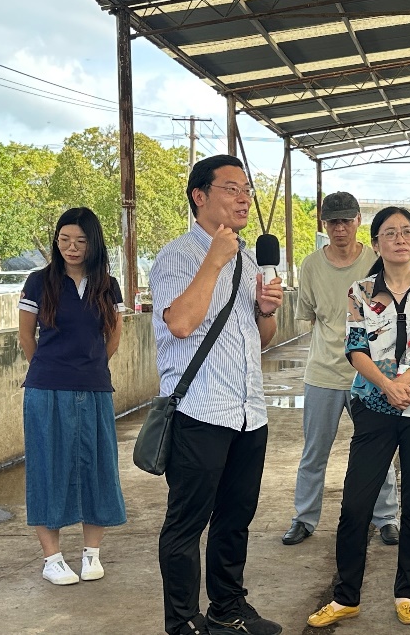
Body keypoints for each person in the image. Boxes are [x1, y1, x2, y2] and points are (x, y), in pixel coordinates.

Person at [150, 154, 284, 635]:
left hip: (248, 410)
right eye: (231, 188)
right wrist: (214, 259)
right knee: (187, 522)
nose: (244, 198)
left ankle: (227, 607)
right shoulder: (177, 256)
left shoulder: (248, 259)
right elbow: (181, 323)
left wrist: (265, 310)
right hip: (199, 410)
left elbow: (260, 339)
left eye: (247, 189)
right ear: (200, 196)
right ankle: (182, 621)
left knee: (235, 518)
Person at [306, 206, 410, 628]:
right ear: (376, 243)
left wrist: (407, 379)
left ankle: (406, 593)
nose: (400, 239)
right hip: (373, 407)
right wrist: (387, 385)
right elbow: (355, 349)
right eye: (390, 233)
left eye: (407, 232)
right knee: (356, 504)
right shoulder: (360, 291)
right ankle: (345, 597)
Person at [283, 191, 399, 548]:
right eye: (333, 222)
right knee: (314, 452)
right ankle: (304, 518)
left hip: (370, 376)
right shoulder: (311, 266)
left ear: (358, 221)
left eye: (346, 221)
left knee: (378, 449)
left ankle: (387, 518)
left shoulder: (376, 262)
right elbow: (309, 318)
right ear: (325, 224)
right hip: (323, 373)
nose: (340, 228)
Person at [18, 206, 126, 586]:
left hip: (94, 388)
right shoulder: (38, 282)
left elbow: (114, 336)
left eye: (80, 240)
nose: (72, 247)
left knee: (97, 468)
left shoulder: (107, 285)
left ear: (93, 243)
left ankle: (91, 554)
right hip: (45, 390)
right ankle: (52, 559)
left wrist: (90, 367)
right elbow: (26, 336)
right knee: (48, 469)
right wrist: (51, 370)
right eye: (64, 239)